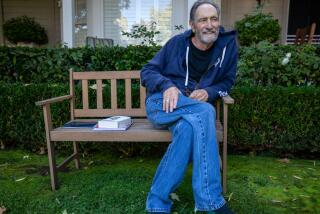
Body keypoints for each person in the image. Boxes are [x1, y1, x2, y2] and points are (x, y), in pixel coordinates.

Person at [140, 0, 237, 213]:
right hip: (161, 104)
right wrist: (167, 86)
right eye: (203, 20)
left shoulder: (228, 47)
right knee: (206, 110)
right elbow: (147, 71)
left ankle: (156, 203)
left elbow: (228, 81)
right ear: (192, 25)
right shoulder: (176, 44)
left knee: (187, 129)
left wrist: (210, 92)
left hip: (191, 113)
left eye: (214, 19)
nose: (210, 24)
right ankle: (209, 201)